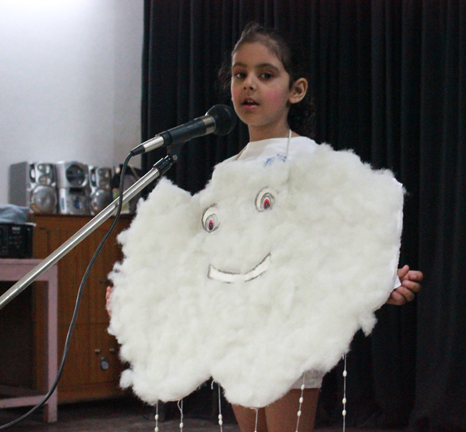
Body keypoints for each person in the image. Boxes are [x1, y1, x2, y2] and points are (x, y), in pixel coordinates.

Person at [107, 21, 423, 432]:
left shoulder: (312, 162)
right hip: (235, 330)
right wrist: (138, 294)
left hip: (288, 329)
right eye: (240, 74)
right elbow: (199, 255)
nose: (249, 84)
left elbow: (339, 237)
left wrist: (377, 284)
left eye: (266, 74)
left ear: (296, 90)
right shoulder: (227, 171)